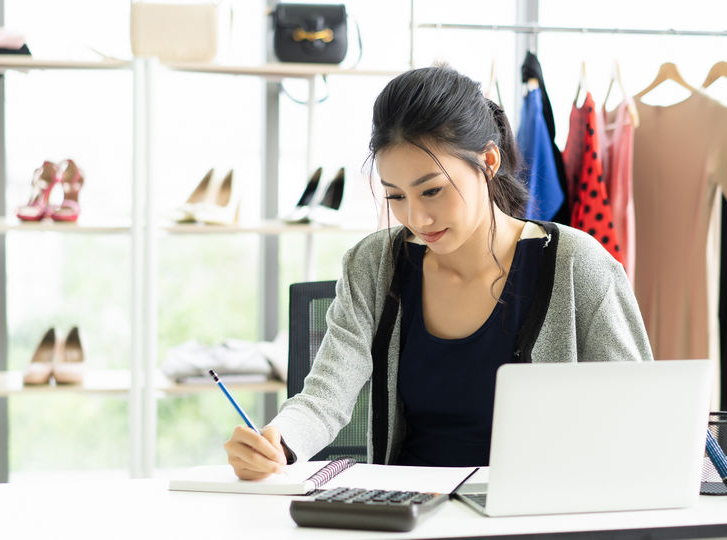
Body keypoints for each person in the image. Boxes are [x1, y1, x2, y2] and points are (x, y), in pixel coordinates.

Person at [224, 66, 653, 480]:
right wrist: (278, 443)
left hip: (534, 514)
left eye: (432, 190)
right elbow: (325, 396)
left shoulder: (577, 263)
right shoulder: (372, 265)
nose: (418, 217)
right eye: (396, 197)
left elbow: (640, 414)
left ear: (488, 161)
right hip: (409, 510)